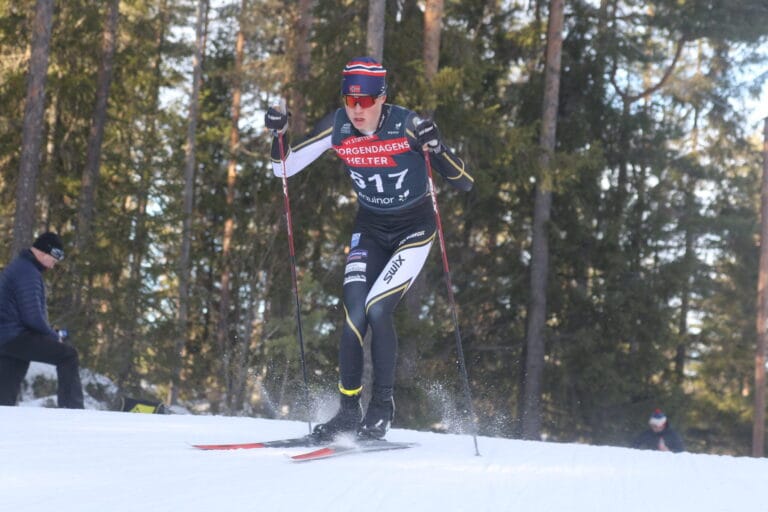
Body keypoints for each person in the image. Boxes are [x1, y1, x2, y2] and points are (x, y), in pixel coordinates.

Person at [265, 57, 474, 440]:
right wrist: (278, 136)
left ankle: (381, 408)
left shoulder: (408, 125)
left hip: (414, 229)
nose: (356, 110)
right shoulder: (338, 126)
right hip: (371, 229)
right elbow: (284, 169)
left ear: (383, 98)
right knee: (353, 317)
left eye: (365, 101)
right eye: (350, 99)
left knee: (379, 310)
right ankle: (348, 411)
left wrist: (437, 147)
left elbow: (464, 183)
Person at [0, 232, 84, 408]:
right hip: (16, 337)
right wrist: (53, 336)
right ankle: (72, 410)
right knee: (68, 356)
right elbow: (32, 317)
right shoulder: (27, 272)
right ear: (46, 252)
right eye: (54, 261)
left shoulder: (21, 267)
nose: (53, 266)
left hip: (8, 339)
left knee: (5, 396)